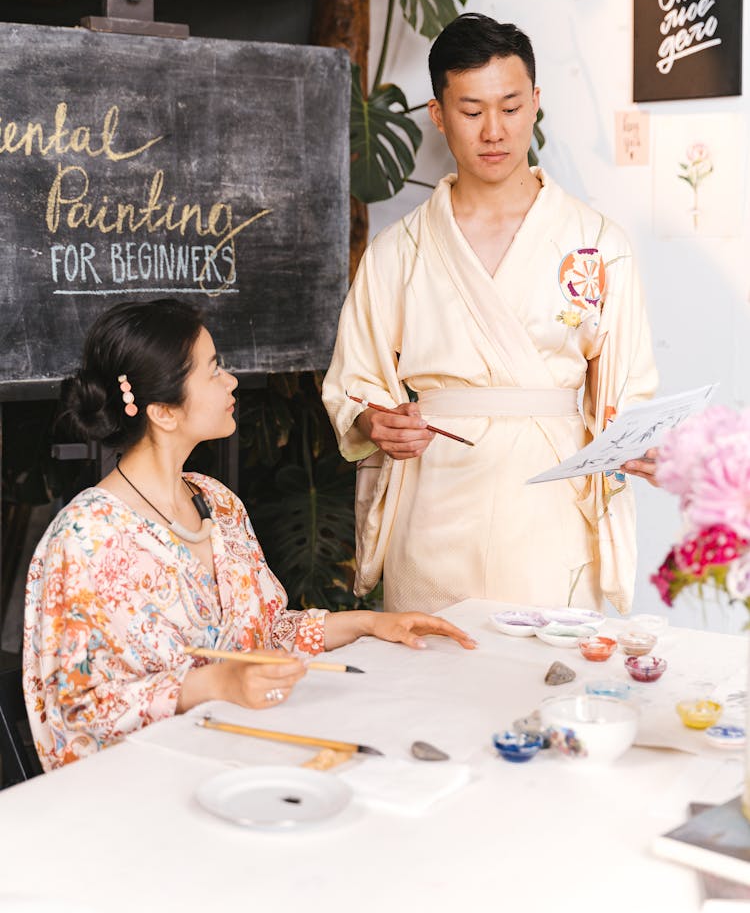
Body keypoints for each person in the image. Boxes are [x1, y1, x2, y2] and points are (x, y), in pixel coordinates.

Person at [23, 299, 475, 771]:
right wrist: (214, 685)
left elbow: (268, 632)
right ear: (163, 412)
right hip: (147, 782)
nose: (231, 381)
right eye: (214, 370)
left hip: (246, 752)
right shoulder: (85, 537)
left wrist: (370, 623)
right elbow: (75, 707)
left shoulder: (217, 503)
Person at [322, 14, 658, 617]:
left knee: (547, 690)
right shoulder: (399, 251)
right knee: (433, 690)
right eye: (472, 111)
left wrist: (636, 441)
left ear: (535, 103)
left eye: (510, 106)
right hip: (432, 510)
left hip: (552, 509)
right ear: (439, 115)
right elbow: (354, 384)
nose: (494, 131)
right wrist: (377, 422)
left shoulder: (597, 241)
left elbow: (627, 389)